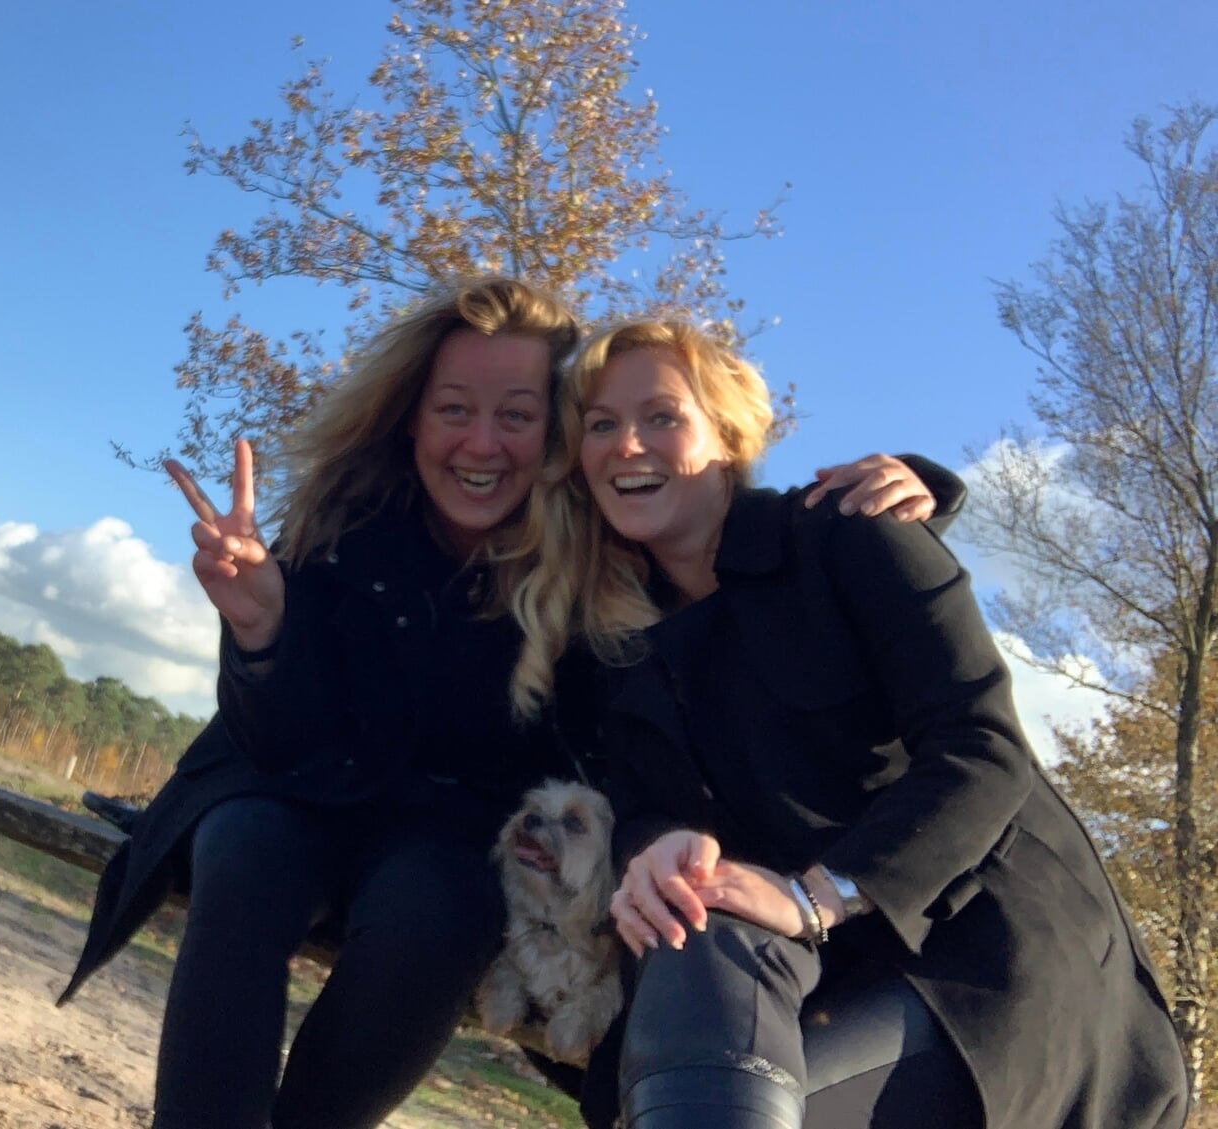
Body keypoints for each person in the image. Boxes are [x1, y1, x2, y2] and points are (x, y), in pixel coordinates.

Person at [57, 278, 950, 1129]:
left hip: (456, 834)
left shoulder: (605, 547)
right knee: (245, 847)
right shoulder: (348, 518)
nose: (481, 444)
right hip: (297, 792)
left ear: (557, 436)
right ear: (411, 418)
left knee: (440, 907)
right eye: (454, 409)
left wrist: (904, 490)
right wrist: (261, 635)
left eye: (516, 415)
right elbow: (279, 739)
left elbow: (726, 555)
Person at [534, 318, 1190, 1128]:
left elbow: (981, 748)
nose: (627, 444)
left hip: (982, 959)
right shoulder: (611, 651)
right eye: (601, 424)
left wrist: (823, 895)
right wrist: (661, 843)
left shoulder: (849, 532)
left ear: (728, 435)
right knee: (690, 932)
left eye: (662, 416)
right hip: (799, 975)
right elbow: (642, 806)